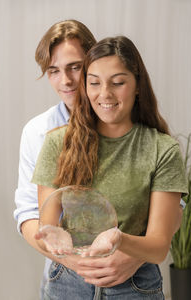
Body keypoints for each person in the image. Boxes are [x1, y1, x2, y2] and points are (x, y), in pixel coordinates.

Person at [32, 36, 188, 299]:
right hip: (67, 285)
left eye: (118, 83)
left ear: (138, 85)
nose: (104, 94)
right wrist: (53, 239)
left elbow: (159, 247)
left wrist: (119, 240)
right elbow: (47, 224)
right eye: (94, 83)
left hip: (135, 287)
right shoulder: (58, 142)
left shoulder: (162, 150)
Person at [14, 21, 145, 299]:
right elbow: (27, 214)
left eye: (75, 67)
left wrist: (135, 256)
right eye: (54, 71)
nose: (66, 81)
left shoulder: (132, 124)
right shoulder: (39, 133)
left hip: (131, 277)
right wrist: (73, 262)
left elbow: (170, 206)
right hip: (65, 278)